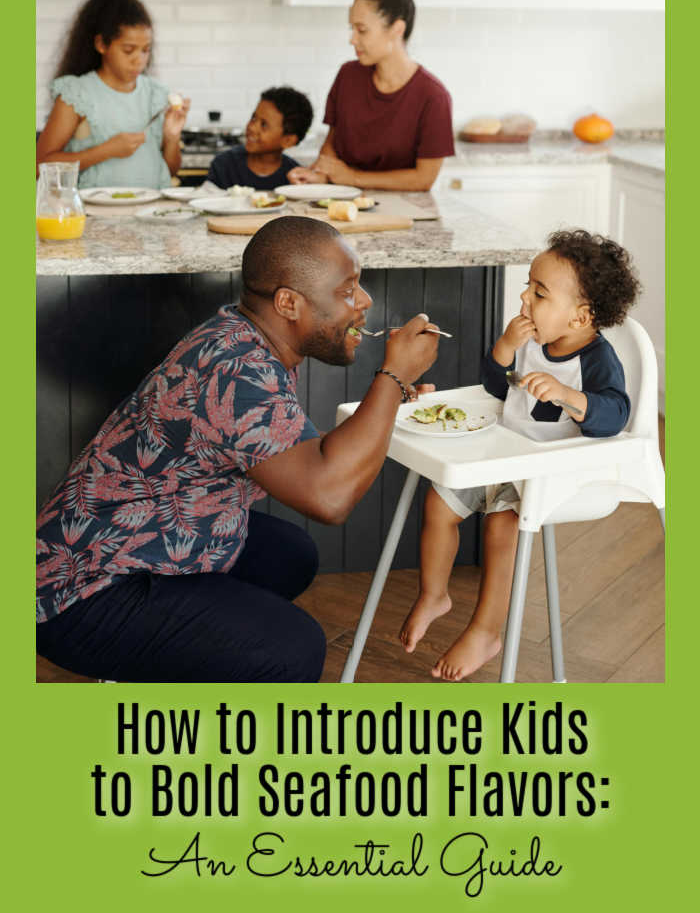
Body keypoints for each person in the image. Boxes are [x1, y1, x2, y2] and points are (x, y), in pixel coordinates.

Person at [36, 217, 439, 683]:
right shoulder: (236, 370)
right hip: (81, 592)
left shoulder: (244, 336)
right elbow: (329, 497)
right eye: (348, 290)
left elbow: (302, 450)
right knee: (293, 649)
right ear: (288, 302)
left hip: (146, 537)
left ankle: (184, 656)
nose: (364, 301)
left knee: (290, 554)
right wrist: (392, 379)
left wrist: (393, 395)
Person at [399, 229, 641, 681]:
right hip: (500, 455)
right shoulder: (530, 340)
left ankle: (487, 630)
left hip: (547, 473)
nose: (525, 298)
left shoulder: (597, 361)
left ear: (580, 317)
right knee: (439, 502)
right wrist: (504, 350)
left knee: (501, 525)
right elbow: (497, 389)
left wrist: (572, 395)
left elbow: (615, 414)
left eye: (540, 293)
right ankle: (434, 594)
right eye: (528, 285)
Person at [288, 0, 454, 193]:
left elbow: (423, 178)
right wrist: (319, 175)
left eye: (362, 30)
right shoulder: (348, 75)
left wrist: (354, 178)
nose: (352, 39)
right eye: (351, 29)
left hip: (404, 211)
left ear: (397, 29)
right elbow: (332, 144)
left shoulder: (433, 96)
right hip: (342, 203)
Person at [36, 0, 190, 188]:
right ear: (101, 44)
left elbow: (169, 170)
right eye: (128, 50)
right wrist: (105, 151)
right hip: (95, 215)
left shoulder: (156, 94)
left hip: (151, 212)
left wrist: (171, 138)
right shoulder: (77, 94)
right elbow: (40, 167)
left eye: (146, 50)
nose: (140, 61)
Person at [207, 86, 312, 191]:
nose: (252, 127)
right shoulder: (223, 165)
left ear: (288, 140)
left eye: (264, 125)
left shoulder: (295, 179)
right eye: (253, 118)